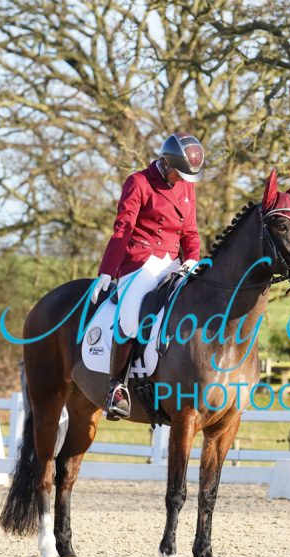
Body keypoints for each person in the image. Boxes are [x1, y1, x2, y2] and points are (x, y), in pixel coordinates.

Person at [91, 132, 204, 419]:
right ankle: (117, 388)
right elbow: (123, 229)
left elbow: (190, 231)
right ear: (166, 162)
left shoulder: (186, 186)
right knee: (130, 316)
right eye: (179, 173)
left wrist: (192, 259)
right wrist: (107, 270)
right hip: (141, 260)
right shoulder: (139, 182)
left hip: (173, 261)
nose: (182, 180)